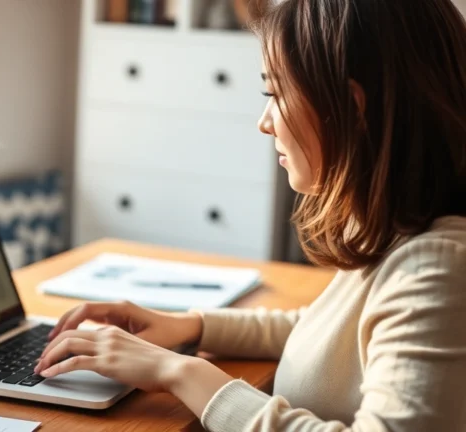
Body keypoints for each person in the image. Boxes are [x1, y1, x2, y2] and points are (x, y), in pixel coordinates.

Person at [33, 0, 466, 430]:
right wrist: (191, 327)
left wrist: (182, 372)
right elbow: (331, 336)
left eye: (275, 94)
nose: (264, 122)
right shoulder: (399, 232)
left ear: (353, 111)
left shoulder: (435, 268)